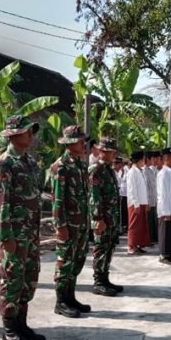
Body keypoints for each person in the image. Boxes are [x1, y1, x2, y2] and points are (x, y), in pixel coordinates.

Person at [0, 116, 45, 340]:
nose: (30, 135)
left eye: (31, 131)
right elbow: (0, 204)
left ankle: (21, 324)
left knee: (28, 279)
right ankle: (9, 330)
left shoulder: (30, 162)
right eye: (26, 132)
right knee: (11, 281)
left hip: (30, 233)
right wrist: (6, 238)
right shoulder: (5, 164)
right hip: (14, 236)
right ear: (13, 135)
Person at [51, 125, 92, 318]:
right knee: (65, 262)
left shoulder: (80, 164)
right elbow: (57, 200)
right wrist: (60, 226)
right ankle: (61, 302)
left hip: (81, 222)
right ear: (70, 143)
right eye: (80, 140)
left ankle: (70, 297)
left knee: (77, 260)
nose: (84, 143)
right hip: (68, 224)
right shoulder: (61, 166)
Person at [88, 137, 123, 296]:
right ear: (101, 152)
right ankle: (98, 282)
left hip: (111, 218)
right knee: (101, 248)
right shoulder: (96, 169)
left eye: (113, 151)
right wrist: (98, 219)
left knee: (109, 248)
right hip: (102, 219)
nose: (112, 154)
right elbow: (94, 197)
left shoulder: (108, 169)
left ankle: (105, 278)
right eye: (109, 152)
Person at [144, 151, 159, 244]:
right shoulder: (144, 171)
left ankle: (153, 237)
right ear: (148, 160)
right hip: (149, 200)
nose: (153, 160)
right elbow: (146, 188)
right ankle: (149, 238)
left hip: (154, 198)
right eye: (152, 159)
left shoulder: (150, 170)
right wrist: (147, 202)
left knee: (153, 220)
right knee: (148, 221)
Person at [114, 157, 128, 234]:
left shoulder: (117, 172)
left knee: (119, 213)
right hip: (116, 195)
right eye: (119, 165)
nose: (121, 167)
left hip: (118, 195)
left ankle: (118, 229)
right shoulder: (113, 172)